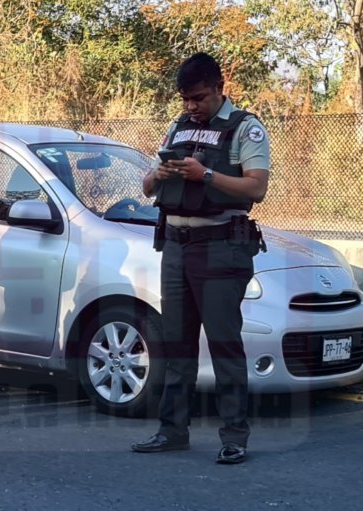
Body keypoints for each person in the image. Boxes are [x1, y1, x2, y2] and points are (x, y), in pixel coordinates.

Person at [132, 53, 269, 464]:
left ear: (218, 88)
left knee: (224, 345)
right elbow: (146, 187)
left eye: (198, 98)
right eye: (185, 99)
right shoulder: (179, 126)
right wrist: (159, 175)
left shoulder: (246, 127)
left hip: (220, 246)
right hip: (175, 243)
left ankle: (234, 437)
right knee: (176, 343)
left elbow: (256, 188)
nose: (191, 106)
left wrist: (205, 175)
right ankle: (172, 430)